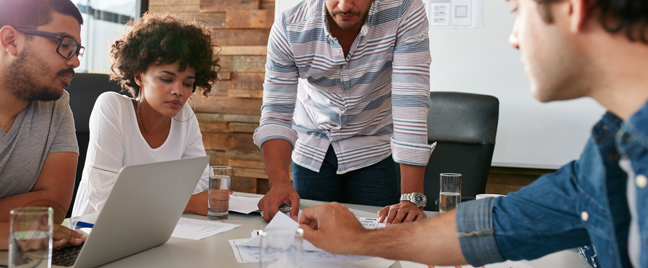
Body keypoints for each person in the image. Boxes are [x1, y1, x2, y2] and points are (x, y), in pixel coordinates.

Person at [298, 0, 648, 267]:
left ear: (574, 9)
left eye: (516, 12)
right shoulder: (610, 152)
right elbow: (502, 224)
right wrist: (359, 240)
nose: (513, 39)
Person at [255, 0, 435, 224]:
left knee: (378, 242)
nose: (344, 6)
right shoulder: (290, 26)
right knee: (311, 241)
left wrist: (411, 199)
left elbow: (411, 102)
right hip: (313, 148)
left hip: (373, 147)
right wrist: (279, 182)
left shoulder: (404, 10)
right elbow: (276, 114)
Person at [71, 13, 219, 217]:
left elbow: (202, 185)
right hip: (93, 231)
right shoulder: (112, 107)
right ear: (139, 76)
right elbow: (107, 198)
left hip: (157, 227)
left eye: (187, 83)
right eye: (167, 79)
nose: (179, 91)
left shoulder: (185, 117)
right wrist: (188, 203)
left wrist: (151, 198)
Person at [0, 0, 87, 250]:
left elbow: (54, 207)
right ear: (11, 41)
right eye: (64, 44)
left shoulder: (56, 104)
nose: (75, 62)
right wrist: (8, 232)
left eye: (77, 49)